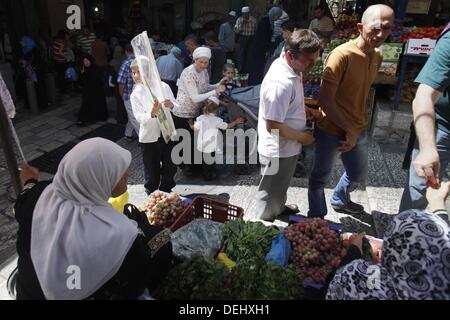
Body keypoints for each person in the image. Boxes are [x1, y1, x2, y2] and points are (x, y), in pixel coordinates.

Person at [14, 138, 174, 300]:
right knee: (160, 238)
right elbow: (135, 283)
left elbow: (25, 194)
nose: (128, 174)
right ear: (97, 180)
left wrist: (30, 180)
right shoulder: (120, 235)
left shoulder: (39, 195)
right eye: (118, 172)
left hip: (27, 292)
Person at [307, 5, 394, 218]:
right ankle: (316, 217)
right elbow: (325, 100)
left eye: (387, 29)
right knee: (319, 178)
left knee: (357, 173)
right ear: (360, 26)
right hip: (331, 128)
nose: (380, 34)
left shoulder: (377, 56)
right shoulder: (341, 55)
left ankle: (340, 197)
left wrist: (355, 129)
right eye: (375, 28)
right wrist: (349, 129)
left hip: (358, 127)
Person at [326, 181, 450, 300]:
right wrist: (438, 206)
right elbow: (440, 244)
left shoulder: (356, 280)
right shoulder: (442, 285)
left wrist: (355, 251)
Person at [252, 29, 320, 222]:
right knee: (269, 191)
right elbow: (272, 125)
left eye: (315, 59)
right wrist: (303, 138)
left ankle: (279, 207)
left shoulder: (292, 67)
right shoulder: (280, 84)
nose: (313, 65)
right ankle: (263, 224)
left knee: (280, 185)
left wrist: (303, 109)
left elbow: (289, 103)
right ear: (290, 55)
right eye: (309, 61)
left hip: (287, 146)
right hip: (277, 150)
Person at [399, 23, 450, 212]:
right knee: (419, 188)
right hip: (443, 127)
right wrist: (428, 149)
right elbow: (423, 96)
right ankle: (403, 235)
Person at [173, 47, 227, 171]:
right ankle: (186, 168)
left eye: (206, 62)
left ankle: (196, 168)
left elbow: (205, 87)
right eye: (201, 62)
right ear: (194, 60)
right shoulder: (188, 73)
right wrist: (215, 90)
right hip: (183, 112)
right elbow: (195, 97)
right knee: (185, 143)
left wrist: (218, 84)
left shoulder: (204, 71)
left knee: (195, 143)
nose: (203, 65)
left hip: (196, 110)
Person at [130, 57, 178, 195]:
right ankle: (151, 191)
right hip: (150, 137)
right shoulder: (136, 94)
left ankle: (166, 189)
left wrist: (172, 105)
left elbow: (175, 105)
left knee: (170, 165)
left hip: (167, 132)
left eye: (138, 72)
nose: (136, 76)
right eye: (133, 73)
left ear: (148, 71)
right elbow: (139, 117)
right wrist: (151, 114)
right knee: (151, 167)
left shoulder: (164, 87)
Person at [191, 96, 244, 180]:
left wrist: (190, 124)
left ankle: (206, 173)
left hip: (201, 144)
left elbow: (195, 128)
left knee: (205, 161)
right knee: (210, 160)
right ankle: (209, 176)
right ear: (216, 110)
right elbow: (227, 126)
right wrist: (236, 121)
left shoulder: (199, 118)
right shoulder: (217, 120)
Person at [248, 7, 283, 85]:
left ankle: (256, 83)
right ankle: (254, 84)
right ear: (274, 14)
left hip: (261, 48)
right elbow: (263, 36)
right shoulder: (265, 20)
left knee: (259, 68)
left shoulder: (270, 21)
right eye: (277, 16)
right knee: (256, 67)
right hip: (259, 48)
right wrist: (266, 49)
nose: (277, 18)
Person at [77, 55, 108, 125]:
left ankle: (97, 117)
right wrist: (82, 74)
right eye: (84, 61)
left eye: (87, 61)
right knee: (86, 104)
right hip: (88, 91)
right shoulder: (84, 70)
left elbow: (96, 80)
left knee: (97, 104)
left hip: (97, 90)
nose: (86, 63)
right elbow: (82, 81)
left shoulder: (96, 68)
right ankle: (83, 119)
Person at [117, 44, 140, 140]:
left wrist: (121, 95)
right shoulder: (140, 61)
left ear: (126, 52)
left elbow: (121, 82)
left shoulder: (126, 63)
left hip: (129, 95)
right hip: (139, 93)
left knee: (134, 117)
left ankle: (143, 138)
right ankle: (128, 133)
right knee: (132, 115)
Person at [234, 6, 258, 74]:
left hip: (251, 38)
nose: (244, 15)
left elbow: (256, 30)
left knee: (250, 54)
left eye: (246, 13)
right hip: (242, 38)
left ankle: (249, 70)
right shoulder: (239, 20)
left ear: (248, 13)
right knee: (241, 55)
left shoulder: (253, 20)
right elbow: (236, 31)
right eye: (243, 13)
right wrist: (242, 23)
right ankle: (240, 70)